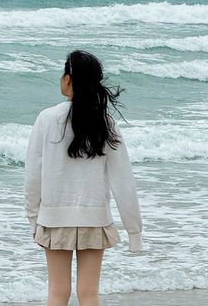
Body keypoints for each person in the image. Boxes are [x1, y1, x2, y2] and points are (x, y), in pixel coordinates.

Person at [25, 50, 142, 306]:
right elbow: (124, 180)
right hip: (94, 216)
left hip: (54, 218)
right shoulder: (105, 122)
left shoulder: (46, 118)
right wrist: (134, 231)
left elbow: (33, 176)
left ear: (68, 80)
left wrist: (34, 219)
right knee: (89, 294)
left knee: (58, 293)